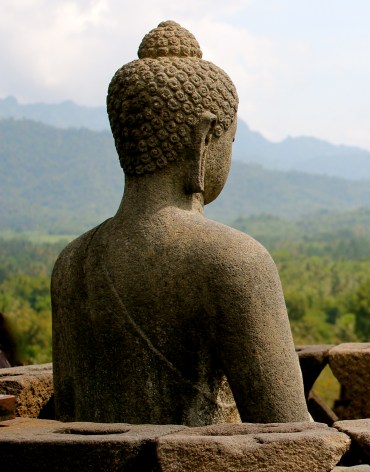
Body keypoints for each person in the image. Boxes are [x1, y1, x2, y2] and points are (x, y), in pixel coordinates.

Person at [51, 21, 308, 425]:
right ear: (204, 140)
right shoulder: (235, 261)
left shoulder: (71, 263)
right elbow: (291, 436)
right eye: (231, 142)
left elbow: (66, 420)